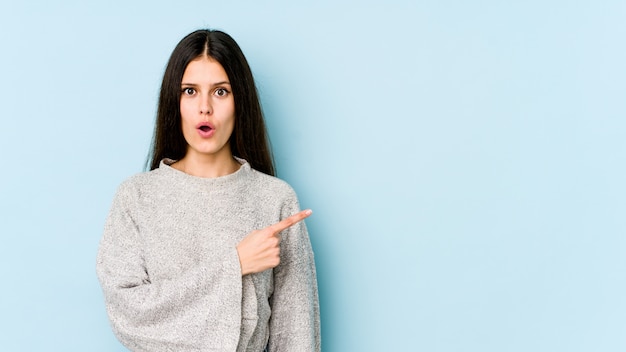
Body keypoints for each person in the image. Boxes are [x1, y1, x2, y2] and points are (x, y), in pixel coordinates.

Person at [96, 29, 320, 352]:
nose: (205, 108)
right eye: (190, 91)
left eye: (220, 92)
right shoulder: (136, 198)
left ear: (239, 100)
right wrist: (236, 264)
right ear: (174, 101)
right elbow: (129, 313)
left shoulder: (275, 202)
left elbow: (297, 338)